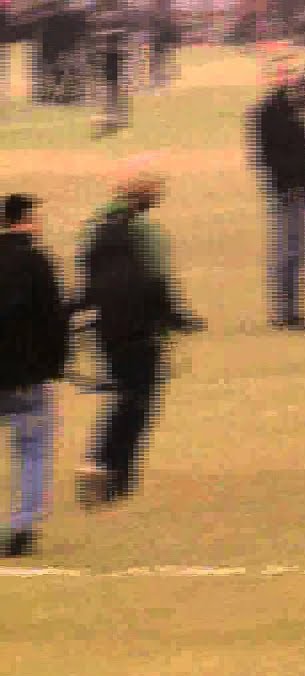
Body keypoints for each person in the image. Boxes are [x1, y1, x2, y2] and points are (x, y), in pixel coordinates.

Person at [72, 160, 205, 507]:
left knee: (121, 396)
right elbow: (158, 282)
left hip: (104, 326)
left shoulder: (93, 225)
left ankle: (98, 463)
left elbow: (84, 276)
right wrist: (179, 319)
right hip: (142, 328)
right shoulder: (147, 231)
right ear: (146, 196)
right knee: (140, 403)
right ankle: (117, 475)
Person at [0, 194, 69, 557]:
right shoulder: (37, 262)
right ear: (24, 220)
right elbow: (55, 322)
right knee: (32, 449)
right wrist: (55, 366)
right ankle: (22, 525)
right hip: (27, 377)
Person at [248, 46, 305, 330]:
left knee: (299, 250)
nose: (289, 77)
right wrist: (287, 184)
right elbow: (267, 157)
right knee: (287, 250)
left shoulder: (297, 108)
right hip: (283, 189)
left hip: (297, 187)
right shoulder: (268, 112)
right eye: (283, 72)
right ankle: (285, 312)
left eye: (291, 72)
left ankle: (292, 309)